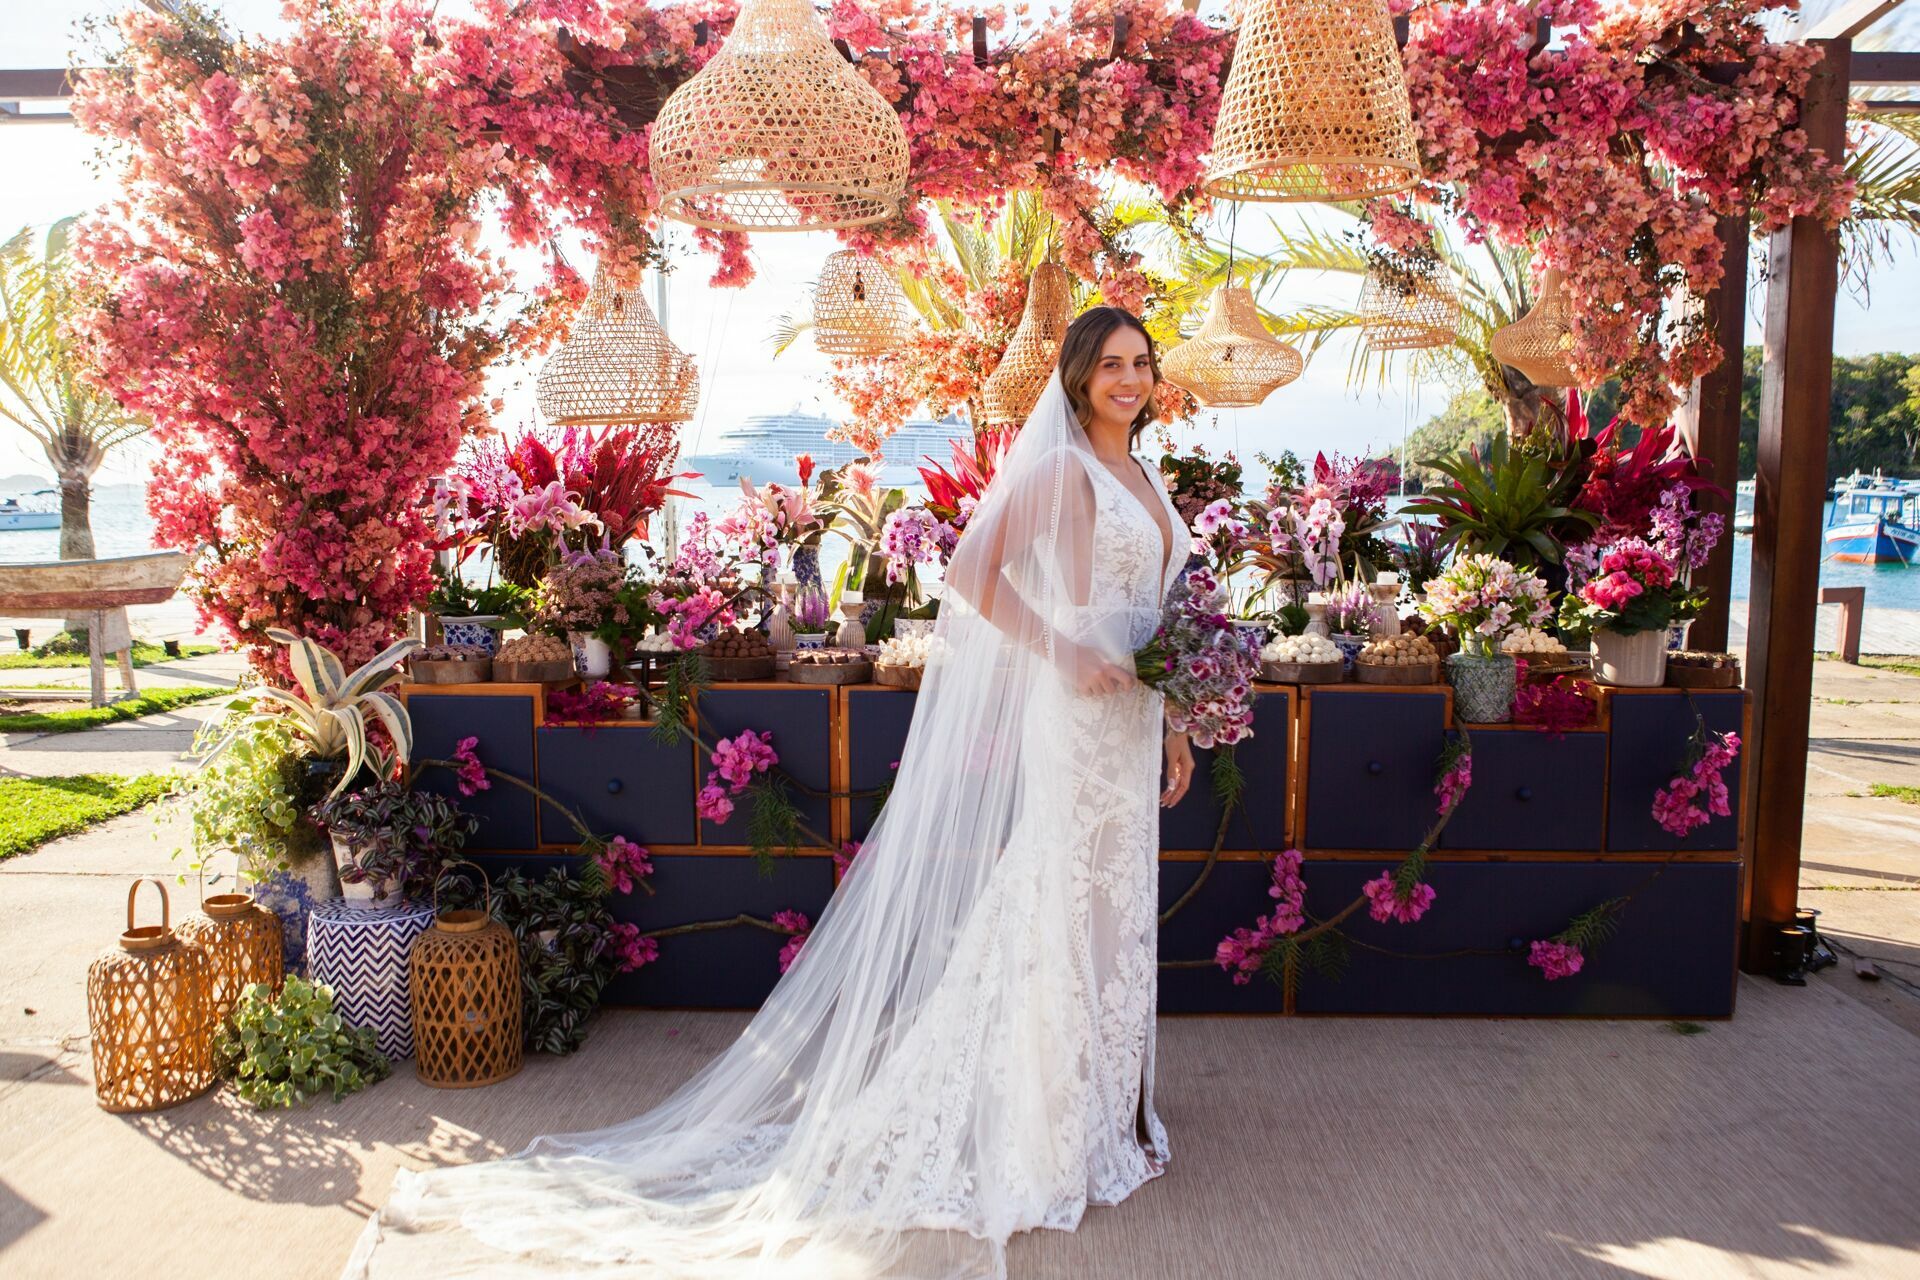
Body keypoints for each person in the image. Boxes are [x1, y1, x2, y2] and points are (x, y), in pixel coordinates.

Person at [345, 306, 1195, 1279]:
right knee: (1057, 899)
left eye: (1141, 362)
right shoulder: (1064, 469)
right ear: (1080, 375)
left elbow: (1157, 619)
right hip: (1076, 714)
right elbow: (971, 569)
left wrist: (1169, 721)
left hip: (1131, 723)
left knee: (1111, 914)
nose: (1128, 378)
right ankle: (1049, 1131)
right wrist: (1066, 647)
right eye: (1111, 363)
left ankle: (1100, 1114)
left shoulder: (1145, 474)